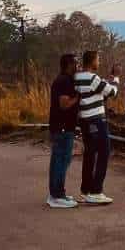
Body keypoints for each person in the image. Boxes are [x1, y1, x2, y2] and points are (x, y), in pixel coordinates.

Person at [75, 50, 118, 205]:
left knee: (89, 155)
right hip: (96, 120)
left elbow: (94, 91)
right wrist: (115, 81)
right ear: (92, 61)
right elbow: (112, 92)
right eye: (98, 60)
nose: (99, 62)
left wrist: (104, 83)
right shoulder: (93, 78)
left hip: (84, 120)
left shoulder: (77, 77)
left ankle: (85, 191)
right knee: (104, 152)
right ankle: (96, 191)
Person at [46, 53, 80, 209]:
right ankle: (57, 195)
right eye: (75, 63)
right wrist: (78, 97)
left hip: (61, 126)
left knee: (59, 160)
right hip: (62, 127)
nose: (77, 66)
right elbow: (64, 104)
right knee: (61, 160)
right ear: (69, 64)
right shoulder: (65, 81)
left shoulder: (62, 80)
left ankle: (56, 193)